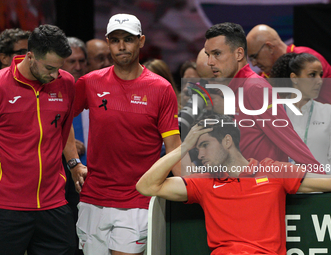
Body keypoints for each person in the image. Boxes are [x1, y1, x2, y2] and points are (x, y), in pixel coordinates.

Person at [64, 13, 181, 255]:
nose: (121, 46)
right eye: (115, 40)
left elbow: (174, 147)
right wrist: (74, 163)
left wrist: (190, 192)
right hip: (92, 197)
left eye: (128, 39)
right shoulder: (89, 82)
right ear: (108, 43)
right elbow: (62, 122)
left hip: (137, 198)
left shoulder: (161, 89)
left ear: (141, 41)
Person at [136, 114, 331, 255]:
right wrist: (184, 147)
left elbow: (326, 183)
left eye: (204, 145)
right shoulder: (203, 182)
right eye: (197, 148)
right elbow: (146, 187)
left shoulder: (274, 171)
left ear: (227, 141)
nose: (200, 155)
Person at [0, 24, 76, 255]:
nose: (55, 75)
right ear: (30, 56)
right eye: (49, 67)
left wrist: (74, 164)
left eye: (59, 68)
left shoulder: (66, 83)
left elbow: (64, 129)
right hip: (5, 207)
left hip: (54, 203)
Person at [203, 22, 322, 170]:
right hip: (243, 186)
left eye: (217, 54)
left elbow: (287, 138)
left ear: (239, 54)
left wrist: (320, 177)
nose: (210, 62)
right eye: (208, 55)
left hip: (263, 188)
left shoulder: (256, 88)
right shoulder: (233, 91)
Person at [270, 53, 331, 171]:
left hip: (322, 186)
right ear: (294, 78)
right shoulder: (274, 112)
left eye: (321, 75)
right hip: (284, 186)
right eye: (312, 75)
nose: (319, 81)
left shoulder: (328, 112)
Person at [246, 24, 331, 104]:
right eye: (251, 59)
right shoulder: (267, 76)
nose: (253, 64)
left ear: (270, 47)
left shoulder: (308, 60)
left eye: (255, 56)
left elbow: (302, 105)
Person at [61, 36, 89, 255]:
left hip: (95, 183)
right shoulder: (51, 96)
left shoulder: (97, 94)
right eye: (72, 61)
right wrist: (67, 145)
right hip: (63, 188)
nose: (78, 67)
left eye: (82, 61)